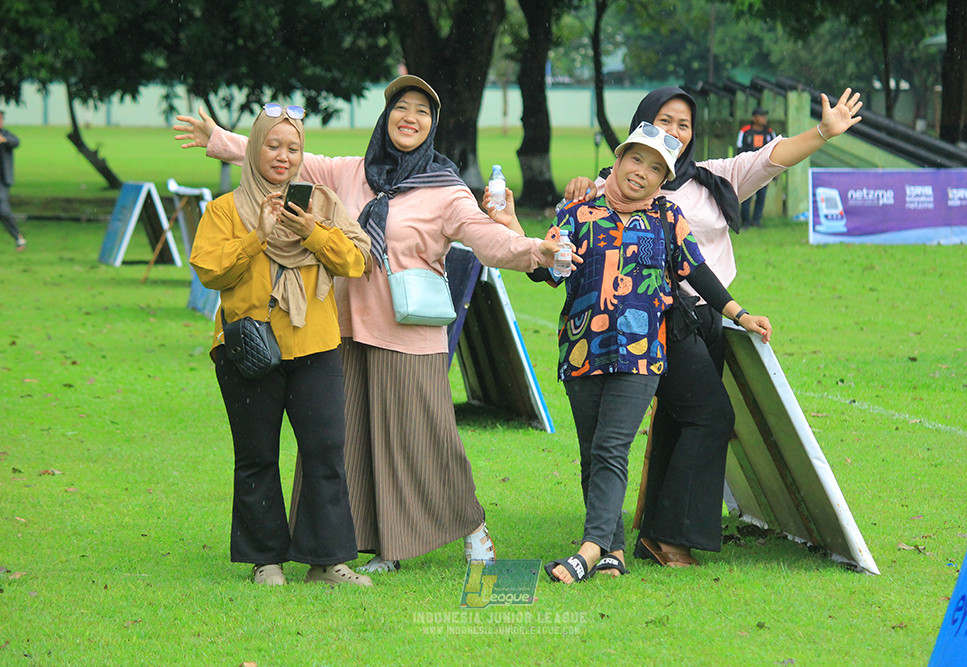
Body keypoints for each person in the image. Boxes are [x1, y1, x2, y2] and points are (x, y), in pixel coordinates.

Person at [177, 75, 558, 574]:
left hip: (409, 334)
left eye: (422, 111)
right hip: (342, 331)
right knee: (354, 448)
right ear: (386, 115)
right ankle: (381, 548)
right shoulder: (349, 174)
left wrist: (535, 251)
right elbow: (280, 153)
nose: (410, 117)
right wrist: (219, 140)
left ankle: (473, 525)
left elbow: (486, 238)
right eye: (402, 106)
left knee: (426, 442)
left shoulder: (445, 189)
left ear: (432, 125)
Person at [564, 86, 862, 568]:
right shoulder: (615, 183)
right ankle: (668, 536)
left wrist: (823, 133)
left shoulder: (711, 179)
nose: (674, 133)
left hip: (708, 318)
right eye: (664, 121)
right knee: (709, 416)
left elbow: (771, 158)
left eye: (684, 125)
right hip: (653, 319)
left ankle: (644, 533)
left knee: (680, 420)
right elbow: (570, 234)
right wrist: (579, 187)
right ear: (641, 125)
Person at [542, 122, 772, 584]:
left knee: (613, 447)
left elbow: (698, 272)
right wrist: (545, 255)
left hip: (641, 353)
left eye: (655, 168)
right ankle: (615, 551)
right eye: (636, 160)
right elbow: (546, 271)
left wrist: (740, 313)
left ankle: (589, 549)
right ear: (620, 159)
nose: (642, 173)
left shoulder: (667, 218)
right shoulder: (577, 213)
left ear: (663, 179)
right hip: (582, 348)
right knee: (592, 452)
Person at [190, 103, 374, 587]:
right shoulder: (225, 210)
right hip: (249, 350)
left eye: (293, 148)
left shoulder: (324, 204)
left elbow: (356, 262)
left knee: (326, 451)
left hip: (315, 346)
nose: (283, 156)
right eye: (273, 145)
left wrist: (311, 231)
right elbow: (210, 270)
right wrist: (258, 236)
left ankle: (327, 560)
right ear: (254, 149)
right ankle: (265, 560)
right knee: (256, 454)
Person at [736, 107, 777, 228]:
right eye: (761, 116)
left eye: (765, 116)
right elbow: (739, 149)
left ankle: (756, 221)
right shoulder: (745, 131)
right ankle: (745, 222)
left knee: (761, 195)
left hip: (764, 170)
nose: (764, 118)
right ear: (754, 118)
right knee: (747, 196)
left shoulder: (769, 132)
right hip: (748, 169)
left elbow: (775, 150)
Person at [0, 111, 26, 252]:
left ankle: (18, 237)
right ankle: (18, 238)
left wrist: (3, 140)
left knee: (3, 210)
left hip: (2, 180)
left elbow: (16, 142)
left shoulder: (6, 135)